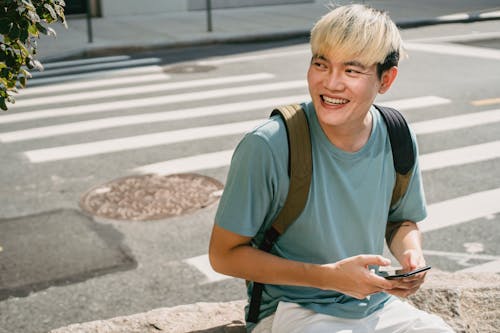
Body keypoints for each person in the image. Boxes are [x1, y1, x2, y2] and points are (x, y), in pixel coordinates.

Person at [209, 4, 454, 333]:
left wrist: (411, 255)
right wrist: (328, 277)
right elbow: (223, 255)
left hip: (375, 303)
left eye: (352, 71)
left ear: (386, 79)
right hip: (290, 310)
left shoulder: (397, 133)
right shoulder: (268, 145)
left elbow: (400, 220)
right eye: (321, 64)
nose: (331, 83)